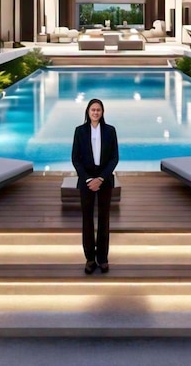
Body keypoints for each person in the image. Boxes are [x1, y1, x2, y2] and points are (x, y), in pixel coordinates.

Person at [71, 98, 119, 275]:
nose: (96, 113)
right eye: (93, 110)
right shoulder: (79, 131)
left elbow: (115, 158)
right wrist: (88, 179)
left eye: (99, 110)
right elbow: (75, 159)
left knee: (104, 219)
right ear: (88, 112)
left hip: (104, 180)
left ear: (102, 112)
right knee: (87, 219)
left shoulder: (110, 131)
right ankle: (90, 258)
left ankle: (103, 258)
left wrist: (101, 178)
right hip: (86, 182)